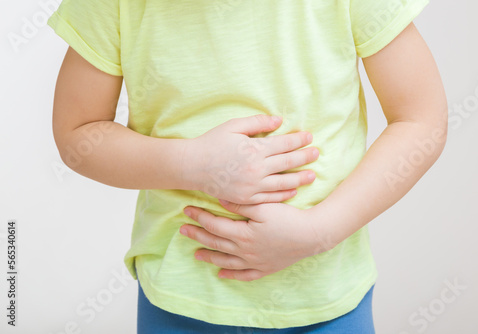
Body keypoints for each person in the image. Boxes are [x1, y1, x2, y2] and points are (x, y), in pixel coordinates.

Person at [47, 0, 447, 333]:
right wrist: (191, 164)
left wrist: (319, 232)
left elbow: (421, 119)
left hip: (326, 299)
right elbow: (78, 133)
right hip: (178, 302)